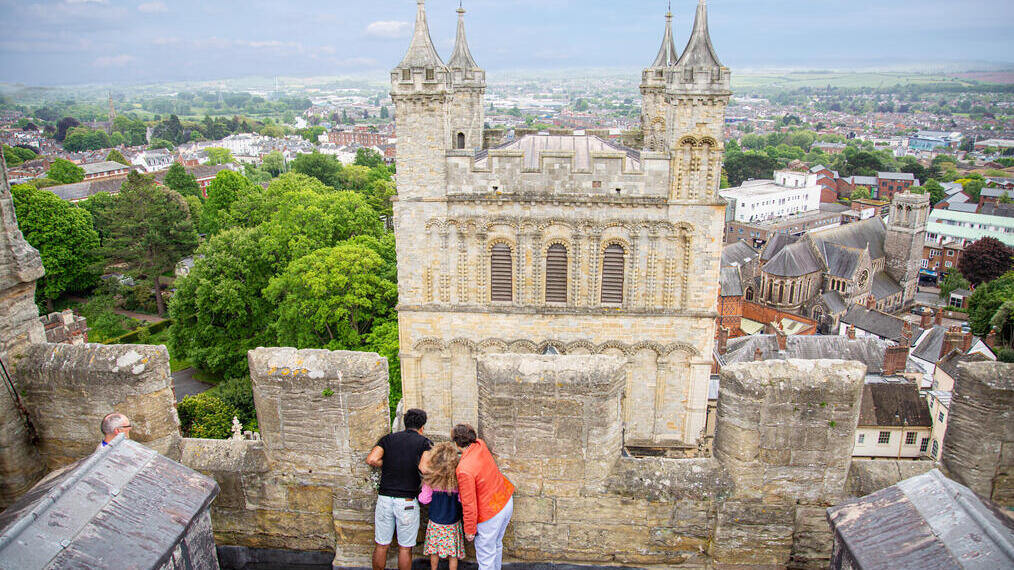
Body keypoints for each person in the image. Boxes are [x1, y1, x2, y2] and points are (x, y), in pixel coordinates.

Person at [366, 408, 433, 570]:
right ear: (422, 427)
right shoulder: (424, 443)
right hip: (407, 502)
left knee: (381, 545)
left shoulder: (388, 439)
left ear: (405, 424)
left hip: (385, 498)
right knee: (405, 547)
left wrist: (388, 463)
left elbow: (372, 459)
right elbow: (424, 469)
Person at [453, 424, 514, 570]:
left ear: (456, 443)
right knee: (496, 545)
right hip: (505, 500)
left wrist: (469, 529)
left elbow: (469, 503)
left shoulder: (464, 469)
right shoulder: (480, 444)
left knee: (485, 558)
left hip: (489, 514)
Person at [418, 442, 466, 570]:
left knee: (434, 551)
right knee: (453, 554)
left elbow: (424, 499)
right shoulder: (457, 482)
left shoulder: (431, 481)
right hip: (453, 523)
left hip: (435, 522)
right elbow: (462, 500)